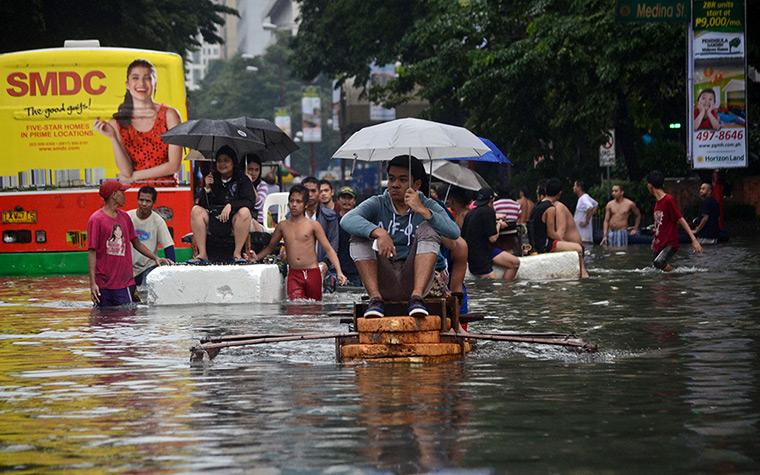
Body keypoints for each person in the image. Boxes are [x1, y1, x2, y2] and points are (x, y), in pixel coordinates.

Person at [341, 155, 461, 318]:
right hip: (384, 279)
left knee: (428, 228)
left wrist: (423, 211)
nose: (395, 185)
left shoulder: (427, 204)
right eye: (391, 179)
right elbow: (347, 220)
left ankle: (417, 298)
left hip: (414, 279)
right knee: (359, 237)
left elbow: (454, 233)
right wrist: (380, 232)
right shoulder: (378, 202)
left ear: (417, 184)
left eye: (403, 180)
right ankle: (375, 300)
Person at [94, 59, 182, 186]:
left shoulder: (170, 115)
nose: (141, 83)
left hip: (167, 191)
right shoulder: (117, 123)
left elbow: (174, 166)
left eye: (147, 78)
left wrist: (135, 176)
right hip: (136, 195)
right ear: (127, 84)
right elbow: (125, 170)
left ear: (155, 84)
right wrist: (112, 137)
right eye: (135, 78)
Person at [252, 185, 348, 300]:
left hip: (313, 273)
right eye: (292, 201)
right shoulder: (283, 226)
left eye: (298, 202)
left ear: (305, 204)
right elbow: (270, 247)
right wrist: (256, 257)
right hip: (294, 274)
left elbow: (329, 249)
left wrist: (339, 272)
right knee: (295, 308)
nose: (294, 205)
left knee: (314, 310)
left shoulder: (313, 225)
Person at [88, 180, 171, 307]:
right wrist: (92, 283)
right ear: (114, 195)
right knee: (102, 319)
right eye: (122, 192)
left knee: (128, 317)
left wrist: (156, 258)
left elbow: (136, 243)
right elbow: (92, 252)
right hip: (103, 283)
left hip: (125, 282)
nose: (125, 196)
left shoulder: (125, 218)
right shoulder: (96, 220)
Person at [189, 146, 255, 262]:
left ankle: (237, 253)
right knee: (196, 210)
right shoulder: (212, 178)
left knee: (244, 212)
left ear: (233, 163)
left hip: (235, 221)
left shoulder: (242, 180)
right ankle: (202, 254)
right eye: (219, 160)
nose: (222, 164)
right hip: (215, 220)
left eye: (226, 160)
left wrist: (231, 205)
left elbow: (250, 202)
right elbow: (204, 205)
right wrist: (207, 188)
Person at [528, 178, 589, 278]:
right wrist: (564, 242)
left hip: (536, 243)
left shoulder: (536, 206)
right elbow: (551, 233)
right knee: (578, 248)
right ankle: (583, 273)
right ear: (559, 193)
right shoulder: (550, 208)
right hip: (545, 244)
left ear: (546, 190)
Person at [646, 170, 702, 271]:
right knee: (657, 270)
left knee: (659, 263)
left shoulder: (668, 200)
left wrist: (693, 240)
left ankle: (676, 275)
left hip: (670, 243)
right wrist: (655, 240)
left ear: (650, 186)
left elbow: (680, 218)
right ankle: (670, 283)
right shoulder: (657, 203)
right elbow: (660, 224)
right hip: (660, 243)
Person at [462, 188, 520, 280]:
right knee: (492, 287)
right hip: (480, 257)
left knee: (514, 263)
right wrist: (499, 224)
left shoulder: (470, 214)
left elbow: (464, 236)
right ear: (492, 200)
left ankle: (505, 289)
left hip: (476, 253)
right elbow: (493, 238)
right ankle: (504, 291)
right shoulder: (488, 211)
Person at [127, 186, 176, 285]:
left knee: (146, 293)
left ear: (154, 203)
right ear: (137, 200)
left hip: (148, 267)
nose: (144, 204)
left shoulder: (158, 221)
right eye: (141, 200)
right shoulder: (127, 217)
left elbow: (168, 246)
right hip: (128, 268)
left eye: (148, 201)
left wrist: (172, 273)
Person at [301, 177, 340, 278]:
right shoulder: (291, 216)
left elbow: (334, 242)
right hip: (299, 267)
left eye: (313, 191)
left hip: (324, 267)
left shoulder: (330, 216)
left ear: (318, 192)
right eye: (306, 191)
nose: (310, 194)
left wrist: (326, 263)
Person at [336, 186, 362, 286]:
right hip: (339, 270)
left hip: (357, 269)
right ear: (338, 200)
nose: (347, 201)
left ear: (354, 201)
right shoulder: (334, 220)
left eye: (350, 198)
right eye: (343, 198)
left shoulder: (361, 219)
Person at [244, 153, 268, 231]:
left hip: (257, 221)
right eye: (250, 169)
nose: (253, 173)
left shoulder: (262, 185)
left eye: (256, 170)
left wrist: (250, 184)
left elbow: (259, 205)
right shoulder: (238, 184)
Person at [573, 180, 598, 246]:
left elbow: (590, 207)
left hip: (583, 234)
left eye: (574, 186)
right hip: (581, 233)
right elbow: (595, 204)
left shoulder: (584, 198)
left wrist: (586, 222)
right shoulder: (585, 197)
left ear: (579, 188)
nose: (573, 188)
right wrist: (590, 215)